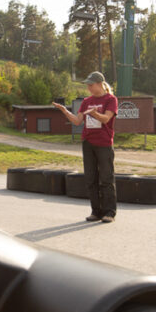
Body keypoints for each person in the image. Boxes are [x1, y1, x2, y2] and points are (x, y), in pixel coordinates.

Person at [53, 71, 118, 223]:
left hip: (104, 143)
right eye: (87, 85)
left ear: (100, 84)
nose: (88, 88)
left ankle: (109, 212)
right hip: (88, 143)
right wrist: (65, 111)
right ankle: (96, 211)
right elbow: (77, 121)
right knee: (90, 178)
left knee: (106, 178)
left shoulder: (110, 99)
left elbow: (106, 119)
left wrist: (95, 114)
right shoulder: (86, 101)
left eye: (91, 85)